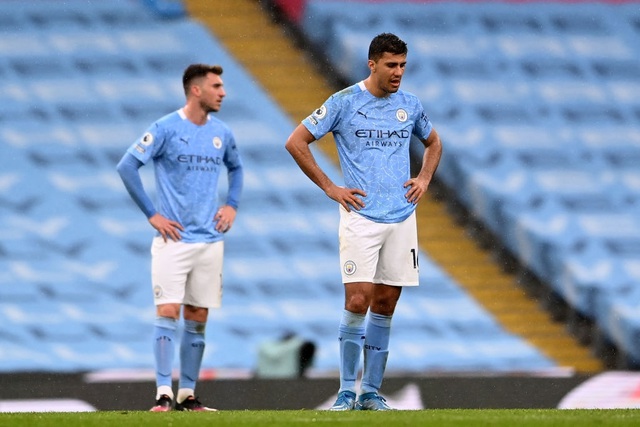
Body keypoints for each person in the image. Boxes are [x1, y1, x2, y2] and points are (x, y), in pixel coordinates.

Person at [285, 33, 442, 411]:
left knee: (386, 303)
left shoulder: (409, 105)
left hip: (402, 216)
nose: (398, 73)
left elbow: (434, 143)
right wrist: (330, 187)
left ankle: (370, 392)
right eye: (391, 65)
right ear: (372, 64)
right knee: (358, 299)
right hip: (361, 217)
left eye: (403, 65)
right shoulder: (345, 102)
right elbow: (296, 141)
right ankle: (344, 392)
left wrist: (423, 179)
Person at [116, 63, 243, 412]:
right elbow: (127, 166)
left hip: (209, 240)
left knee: (198, 315)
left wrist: (231, 204)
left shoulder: (222, 133)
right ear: (196, 90)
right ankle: (162, 393)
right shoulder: (166, 128)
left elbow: (237, 167)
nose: (223, 92)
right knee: (168, 311)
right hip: (174, 241)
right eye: (216, 86)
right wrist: (152, 215)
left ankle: (187, 394)